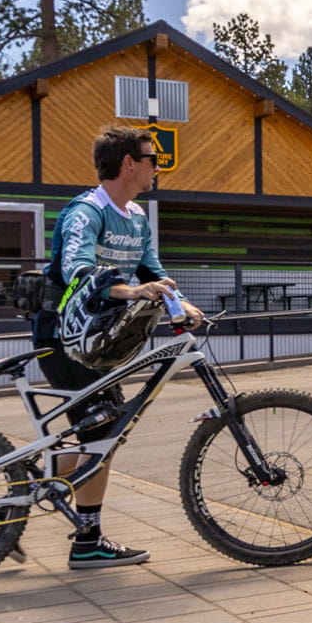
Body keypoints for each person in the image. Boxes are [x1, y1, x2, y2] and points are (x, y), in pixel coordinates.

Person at [34, 125, 204, 568]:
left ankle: (20, 492)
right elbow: (76, 268)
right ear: (129, 163)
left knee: (102, 432)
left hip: (98, 339)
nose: (158, 169)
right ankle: (83, 540)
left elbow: (153, 269)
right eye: (154, 160)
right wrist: (128, 293)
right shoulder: (87, 212)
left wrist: (178, 301)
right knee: (101, 432)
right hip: (63, 335)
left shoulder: (138, 218)